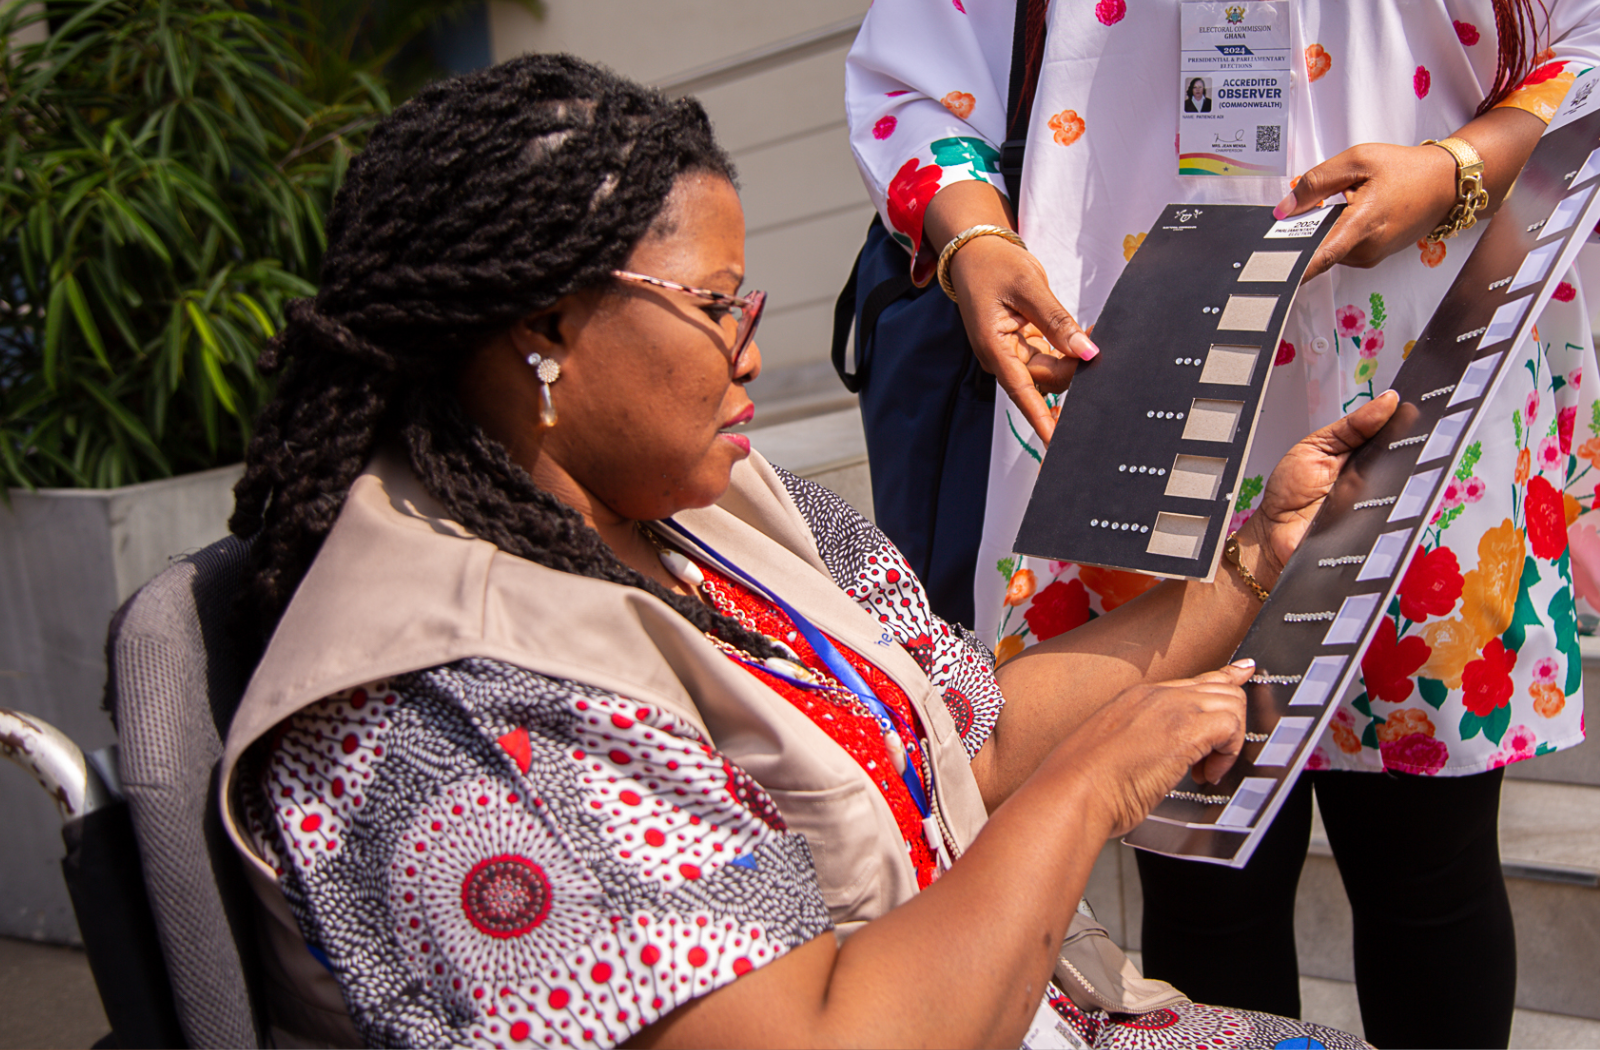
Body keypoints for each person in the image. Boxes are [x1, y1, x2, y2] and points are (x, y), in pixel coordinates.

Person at [216, 54, 1380, 1049]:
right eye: (716, 305)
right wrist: (1094, 787)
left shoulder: (713, 509)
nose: (750, 353)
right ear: (547, 325)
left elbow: (967, 747)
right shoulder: (455, 702)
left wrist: (1251, 561)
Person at [846, 2, 1600, 1046]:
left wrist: (1459, 167)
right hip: (1132, 376)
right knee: (1196, 864)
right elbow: (911, 80)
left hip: (1416, 373)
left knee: (1426, 861)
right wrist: (973, 232)